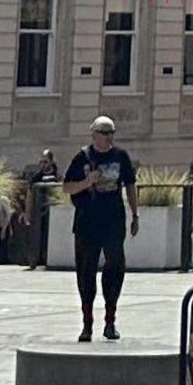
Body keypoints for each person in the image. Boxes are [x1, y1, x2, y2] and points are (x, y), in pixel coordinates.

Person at [65, 116, 142, 341]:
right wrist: (87, 182)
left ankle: (110, 319)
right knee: (86, 272)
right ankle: (87, 323)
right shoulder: (82, 157)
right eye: (104, 132)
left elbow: (130, 186)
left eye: (111, 133)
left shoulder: (120, 156)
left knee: (115, 266)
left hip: (113, 221)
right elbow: (67, 187)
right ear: (94, 134)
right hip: (87, 223)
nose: (108, 137)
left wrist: (135, 215)